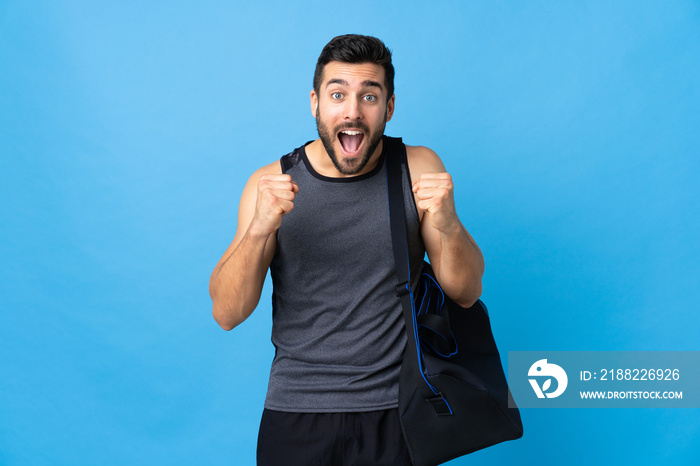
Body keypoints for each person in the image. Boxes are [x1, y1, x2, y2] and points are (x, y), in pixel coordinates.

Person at [209, 34, 484, 466]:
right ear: (315, 102)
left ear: (389, 108)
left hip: (399, 413)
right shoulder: (270, 182)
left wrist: (448, 225)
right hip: (296, 413)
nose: (352, 111)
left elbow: (465, 291)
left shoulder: (418, 168)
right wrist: (261, 229)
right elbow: (227, 313)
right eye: (338, 94)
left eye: (369, 96)